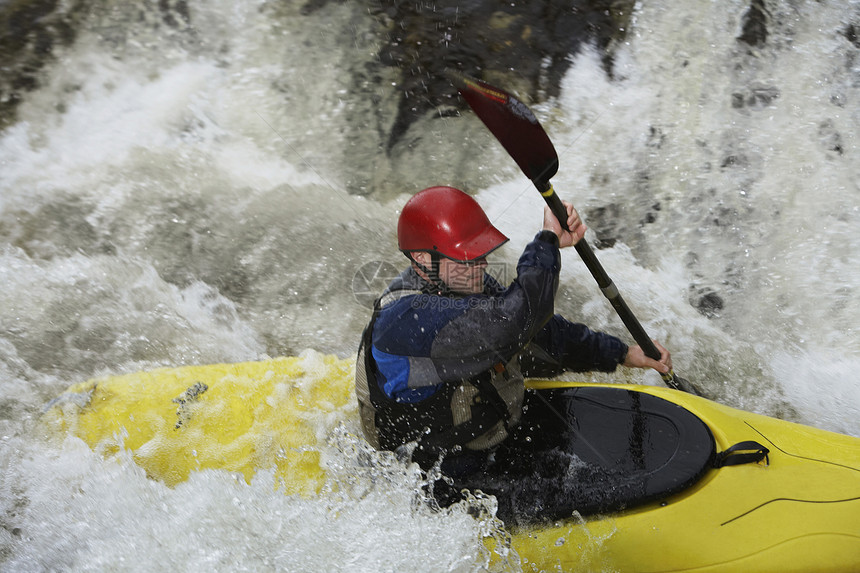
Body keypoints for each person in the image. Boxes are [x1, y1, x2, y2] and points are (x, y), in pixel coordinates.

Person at [355, 185, 672, 481]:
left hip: (472, 421)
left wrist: (623, 354)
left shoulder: (461, 279)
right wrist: (546, 240)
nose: (482, 263)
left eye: (481, 251)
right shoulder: (407, 318)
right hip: (426, 461)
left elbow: (542, 330)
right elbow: (514, 320)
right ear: (423, 258)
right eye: (469, 256)